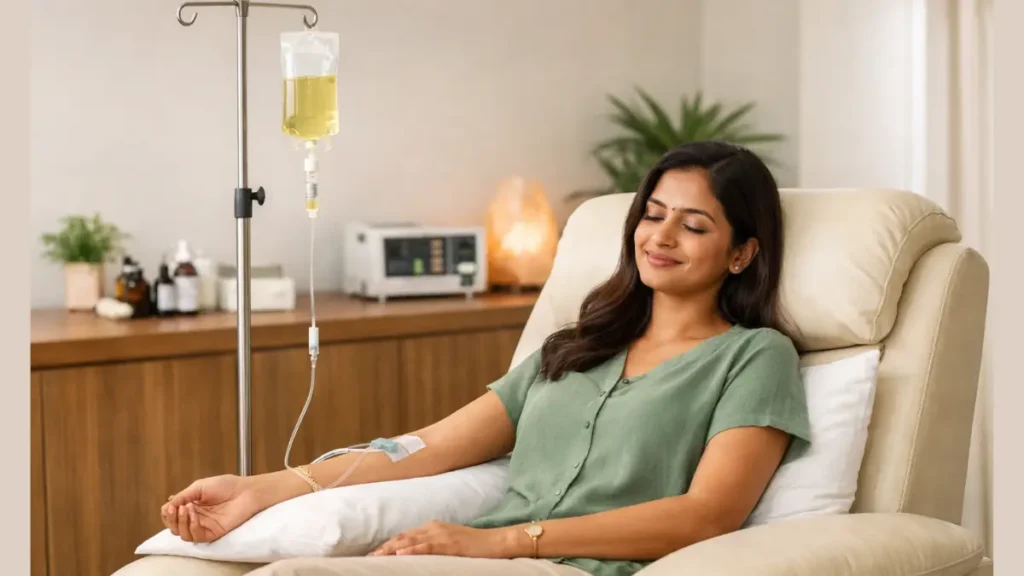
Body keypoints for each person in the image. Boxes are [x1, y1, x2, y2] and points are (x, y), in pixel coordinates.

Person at [160, 141, 811, 576]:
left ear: (741, 253)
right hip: (476, 560)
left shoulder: (755, 357)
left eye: (693, 225)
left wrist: (499, 542)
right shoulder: (575, 346)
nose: (660, 236)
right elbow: (421, 448)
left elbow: (707, 515)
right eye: (653, 214)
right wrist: (257, 490)